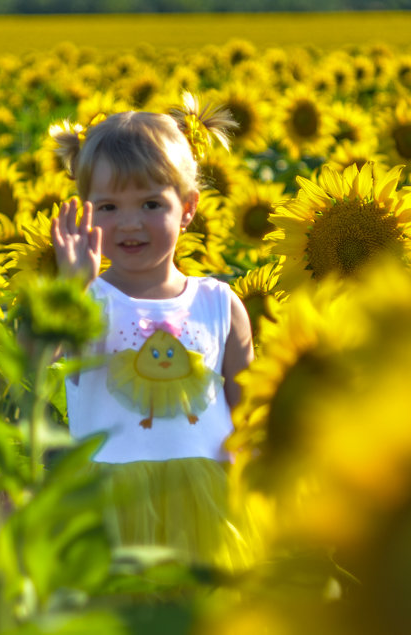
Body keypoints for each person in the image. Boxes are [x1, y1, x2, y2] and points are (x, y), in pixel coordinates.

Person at [49, 104, 257, 570]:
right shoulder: (87, 303)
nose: (129, 223)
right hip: (110, 505)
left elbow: (251, 412)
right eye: (108, 207)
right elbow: (36, 356)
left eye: (150, 204)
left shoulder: (220, 305)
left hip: (207, 501)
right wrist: (69, 288)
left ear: (187, 209)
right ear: (86, 212)